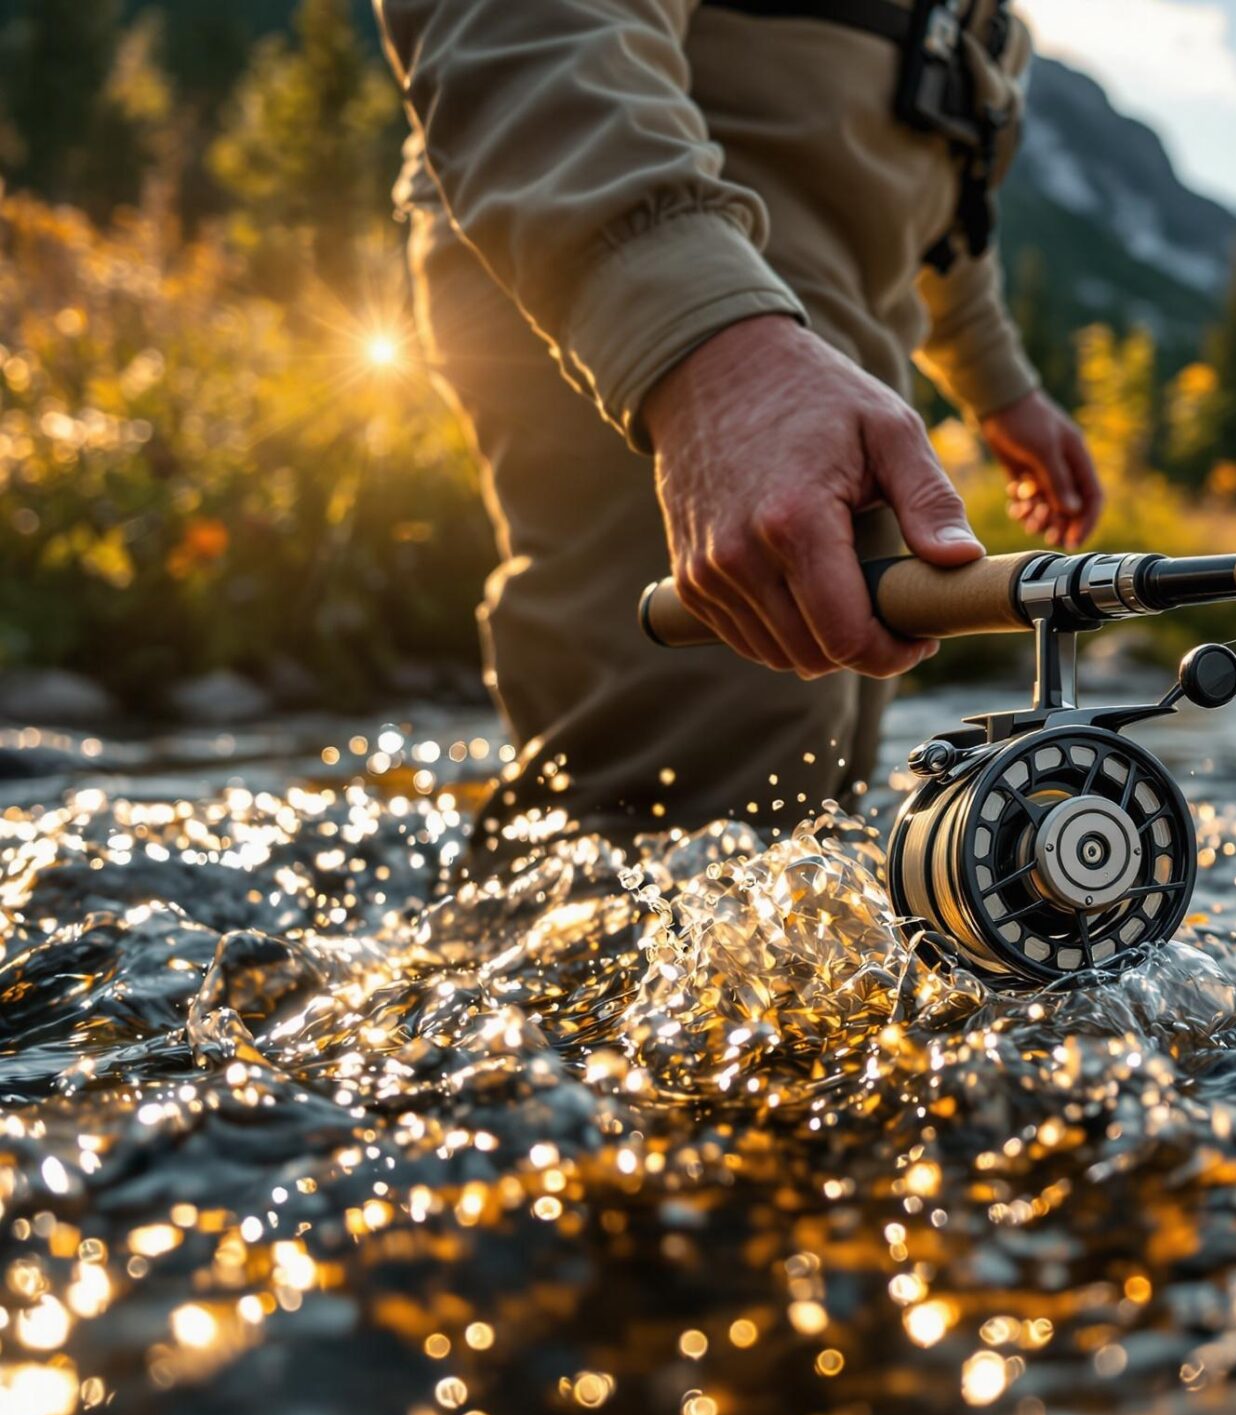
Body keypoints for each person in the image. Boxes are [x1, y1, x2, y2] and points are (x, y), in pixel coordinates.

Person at [376, 0, 1100, 869]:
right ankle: (529, 997)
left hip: (804, 303)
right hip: (638, 240)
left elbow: (940, 175)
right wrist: (703, 341)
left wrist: (996, 378)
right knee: (699, 799)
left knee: (801, 797)